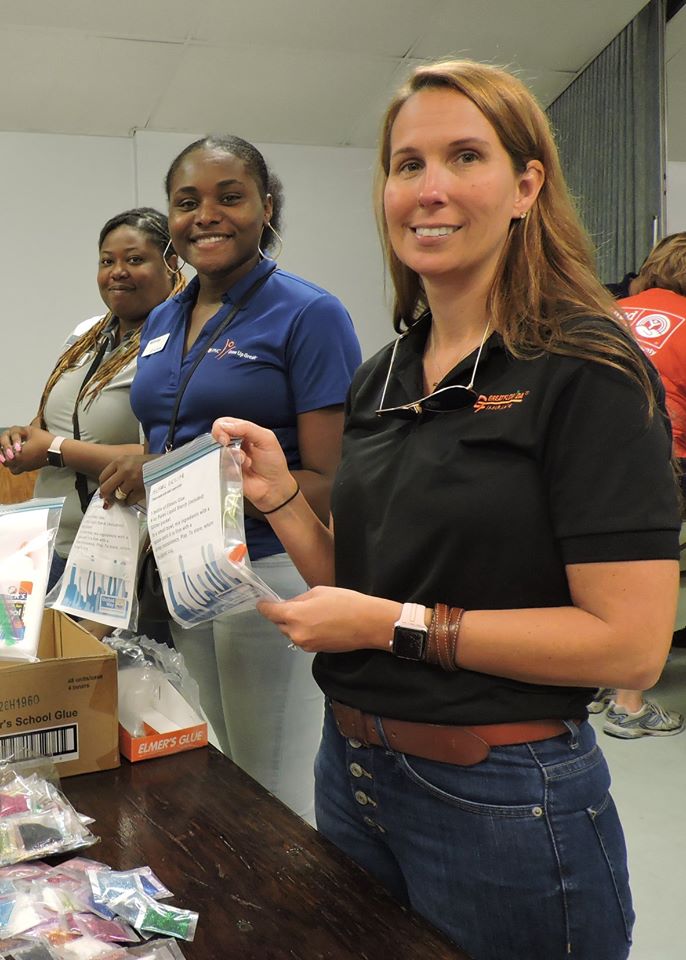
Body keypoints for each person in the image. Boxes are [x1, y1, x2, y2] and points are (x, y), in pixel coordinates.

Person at [210, 61, 680, 960]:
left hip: (503, 795)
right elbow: (366, 586)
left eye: (464, 156)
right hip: (352, 773)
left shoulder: (587, 367)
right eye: (406, 164)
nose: (429, 190)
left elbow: (629, 645)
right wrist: (281, 499)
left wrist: (394, 623)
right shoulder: (383, 375)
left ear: (526, 185)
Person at [98, 136, 361, 823]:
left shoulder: (308, 314)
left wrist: (189, 479)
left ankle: (295, 926)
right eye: (187, 202)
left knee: (272, 779)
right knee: (218, 760)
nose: (205, 215)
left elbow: (334, 480)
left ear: (265, 208)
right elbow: (165, 438)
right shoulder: (162, 318)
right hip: (188, 568)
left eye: (230, 197)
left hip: (267, 571)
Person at [0, 208, 184, 592]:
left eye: (134, 259)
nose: (117, 271)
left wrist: (53, 451)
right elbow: (54, 420)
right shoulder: (87, 333)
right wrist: (24, 437)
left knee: (113, 654)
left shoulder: (182, 343)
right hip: (49, 542)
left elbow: (163, 456)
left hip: (119, 551)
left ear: (171, 262)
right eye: (107, 261)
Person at [590, 233, 686, 738]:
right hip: (660, 456)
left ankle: (597, 679)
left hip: (587, 454)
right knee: (654, 569)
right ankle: (630, 704)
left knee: (598, 567)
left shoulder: (613, 311)